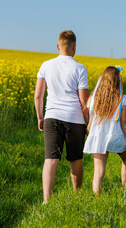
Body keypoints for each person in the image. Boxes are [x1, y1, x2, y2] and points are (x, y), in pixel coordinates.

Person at [34, 30, 89, 204]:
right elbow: (83, 101)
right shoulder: (80, 68)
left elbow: (38, 96)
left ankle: (46, 200)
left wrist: (40, 117)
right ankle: (77, 195)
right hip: (74, 119)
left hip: (52, 116)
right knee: (76, 158)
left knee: (51, 158)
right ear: (74, 47)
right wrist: (89, 123)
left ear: (58, 46)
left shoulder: (46, 65)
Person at [83, 66, 126, 195]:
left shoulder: (94, 98)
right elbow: (124, 122)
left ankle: (97, 198)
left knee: (98, 171)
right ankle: (125, 189)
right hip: (116, 136)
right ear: (118, 80)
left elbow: (89, 115)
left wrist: (90, 131)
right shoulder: (122, 98)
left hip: (98, 136)